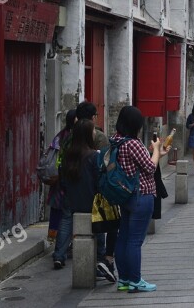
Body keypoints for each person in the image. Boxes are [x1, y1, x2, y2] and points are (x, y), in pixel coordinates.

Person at [112, 106, 169, 292]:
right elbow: (150, 168)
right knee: (135, 241)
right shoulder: (133, 144)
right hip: (141, 194)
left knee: (123, 238)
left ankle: (124, 279)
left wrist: (155, 153)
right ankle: (136, 280)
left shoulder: (116, 141)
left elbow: (142, 164)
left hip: (126, 195)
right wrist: (156, 150)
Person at [51, 119, 115, 282]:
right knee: (99, 229)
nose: (95, 134)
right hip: (91, 202)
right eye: (93, 131)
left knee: (66, 222)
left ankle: (59, 254)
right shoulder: (94, 156)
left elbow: (63, 181)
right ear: (87, 134)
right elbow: (99, 181)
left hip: (72, 200)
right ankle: (100, 260)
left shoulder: (68, 156)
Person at [47, 110, 77, 244]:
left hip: (57, 180)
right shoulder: (73, 138)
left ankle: (56, 240)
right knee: (67, 214)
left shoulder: (59, 136)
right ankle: (65, 243)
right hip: (68, 180)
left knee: (57, 210)